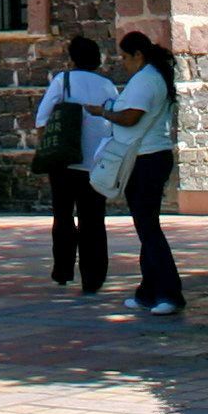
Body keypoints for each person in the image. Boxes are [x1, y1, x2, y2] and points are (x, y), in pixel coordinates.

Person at [92, 30, 182, 316]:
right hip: (148, 157)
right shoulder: (152, 76)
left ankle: (170, 293)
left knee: (149, 228)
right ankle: (148, 292)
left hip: (146, 159)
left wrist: (104, 112)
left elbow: (131, 117)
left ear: (138, 55)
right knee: (146, 227)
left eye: (124, 57)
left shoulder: (146, 79)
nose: (123, 63)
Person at [35, 35, 118, 293]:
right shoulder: (108, 86)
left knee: (62, 216)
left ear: (73, 58)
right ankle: (93, 276)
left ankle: (63, 269)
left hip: (65, 160)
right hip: (96, 162)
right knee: (93, 220)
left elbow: (42, 119)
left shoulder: (63, 81)